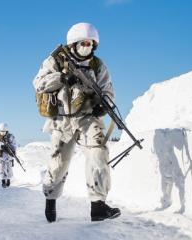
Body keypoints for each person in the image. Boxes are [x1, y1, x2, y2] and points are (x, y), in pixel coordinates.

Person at [33, 22, 120, 222]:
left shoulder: (97, 65)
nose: (87, 47)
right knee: (58, 165)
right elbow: (38, 83)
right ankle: (50, 201)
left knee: (99, 153)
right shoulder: (55, 60)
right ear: (73, 43)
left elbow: (107, 89)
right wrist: (61, 78)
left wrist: (103, 104)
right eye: (83, 43)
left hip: (87, 118)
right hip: (62, 119)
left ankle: (98, 206)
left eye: (90, 43)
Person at [0, 123, 17, 188]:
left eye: (4, 132)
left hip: (9, 156)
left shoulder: (11, 137)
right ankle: (3, 181)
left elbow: (15, 145)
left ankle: (8, 180)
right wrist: (1, 146)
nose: (2, 133)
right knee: (1, 169)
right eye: (1, 132)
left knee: (9, 169)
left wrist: (10, 148)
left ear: (7, 131)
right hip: (0, 156)